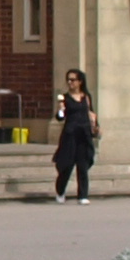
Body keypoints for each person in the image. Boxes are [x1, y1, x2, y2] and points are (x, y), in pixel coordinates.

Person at [52, 68, 98, 202]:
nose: (70, 82)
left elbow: (91, 113)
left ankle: (83, 195)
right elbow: (60, 118)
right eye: (68, 80)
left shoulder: (86, 97)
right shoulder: (65, 98)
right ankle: (60, 191)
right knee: (66, 165)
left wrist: (96, 125)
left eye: (73, 80)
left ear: (80, 81)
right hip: (70, 134)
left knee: (82, 166)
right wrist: (60, 110)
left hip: (84, 134)